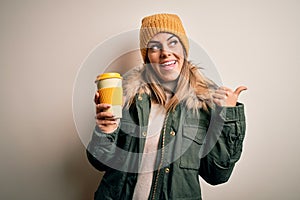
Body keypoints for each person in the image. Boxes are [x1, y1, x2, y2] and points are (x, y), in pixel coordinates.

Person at [87, 13, 247, 200]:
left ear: (184, 50)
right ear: (147, 57)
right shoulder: (125, 97)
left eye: (173, 43)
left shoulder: (205, 104)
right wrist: (106, 131)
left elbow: (217, 175)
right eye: (154, 47)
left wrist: (227, 118)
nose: (165, 52)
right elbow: (100, 163)